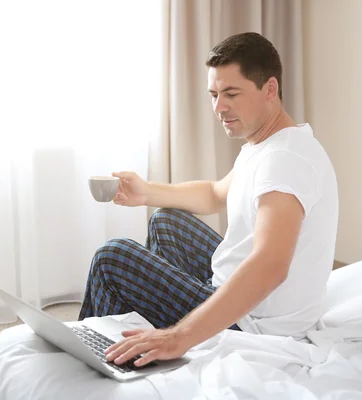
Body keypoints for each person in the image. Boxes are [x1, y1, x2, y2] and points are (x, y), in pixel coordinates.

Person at [78, 32, 338, 368]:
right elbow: (216, 193)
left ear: (270, 89)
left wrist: (181, 336)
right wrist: (146, 192)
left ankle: (97, 361)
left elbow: (271, 265)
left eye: (231, 94)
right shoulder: (269, 143)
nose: (219, 107)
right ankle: (144, 336)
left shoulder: (285, 160)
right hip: (239, 297)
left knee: (112, 258)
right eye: (214, 95)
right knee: (166, 221)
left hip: (255, 325)